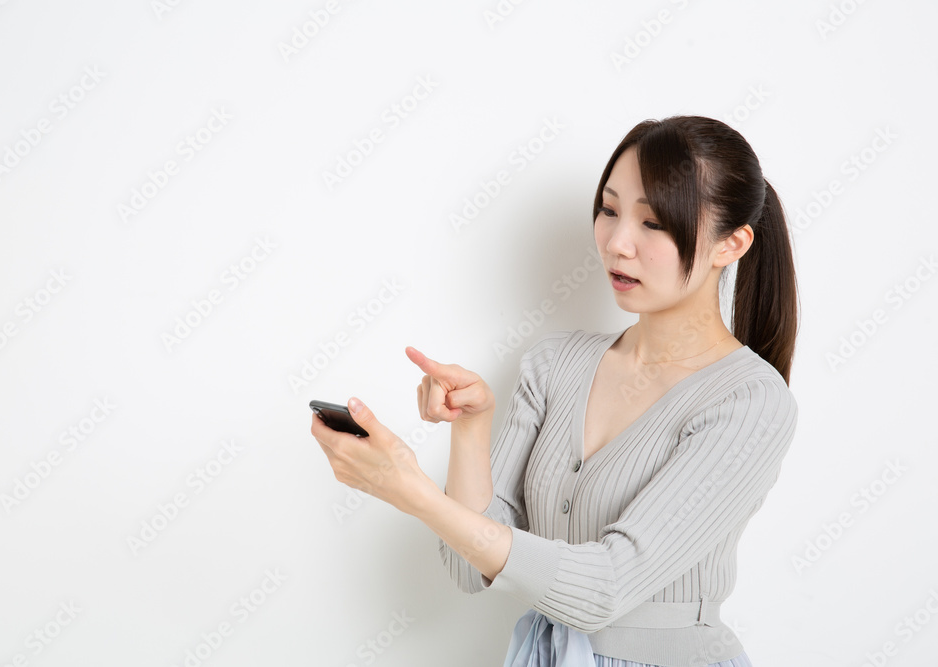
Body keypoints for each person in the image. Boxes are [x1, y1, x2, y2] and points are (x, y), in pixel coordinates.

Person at [311, 115, 799, 667]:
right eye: (609, 210)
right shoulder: (555, 363)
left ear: (731, 244)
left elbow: (603, 590)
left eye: (654, 222)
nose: (617, 243)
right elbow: (468, 568)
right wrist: (472, 429)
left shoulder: (749, 402)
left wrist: (411, 491)